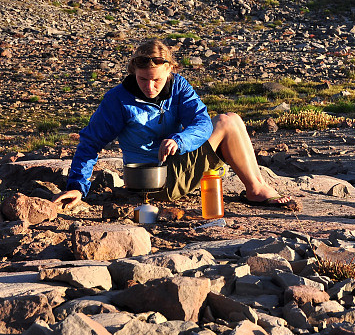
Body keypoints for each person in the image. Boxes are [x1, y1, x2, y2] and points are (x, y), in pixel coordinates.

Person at [54, 39, 296, 210]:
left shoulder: (179, 87)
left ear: (169, 70)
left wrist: (180, 140)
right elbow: (90, 143)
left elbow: (201, 123)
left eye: (156, 80)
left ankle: (258, 187)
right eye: (142, 79)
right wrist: (77, 186)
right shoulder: (118, 100)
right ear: (133, 72)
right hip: (151, 182)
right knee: (226, 122)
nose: (149, 87)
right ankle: (255, 190)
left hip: (177, 165)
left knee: (230, 119)